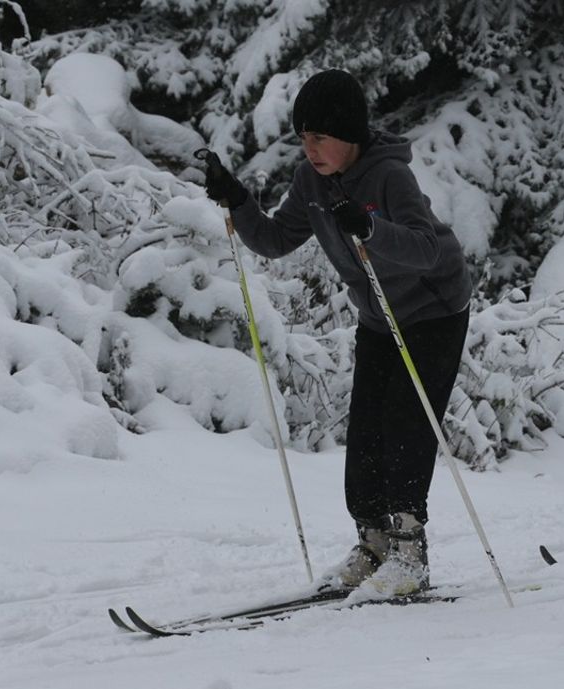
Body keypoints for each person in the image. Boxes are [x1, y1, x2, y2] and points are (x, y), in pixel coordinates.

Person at [201, 69, 472, 595]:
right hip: (378, 316)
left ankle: (410, 556)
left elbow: (428, 248)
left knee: (407, 429)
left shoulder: (390, 178)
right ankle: (373, 546)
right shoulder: (310, 181)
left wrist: (370, 226)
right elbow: (277, 239)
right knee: (366, 432)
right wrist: (236, 198)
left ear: (349, 134)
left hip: (433, 311)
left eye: (320, 137)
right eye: (303, 138)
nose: (310, 149)